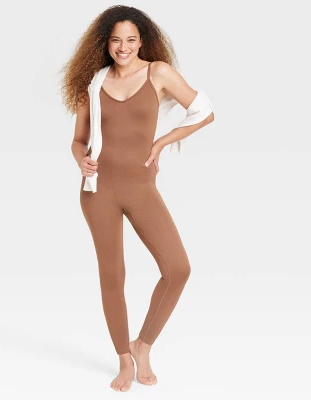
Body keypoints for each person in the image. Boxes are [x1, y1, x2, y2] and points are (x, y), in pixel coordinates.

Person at [60, 5, 214, 392]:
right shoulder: (93, 82)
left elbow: (204, 111)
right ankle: (123, 359)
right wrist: (81, 161)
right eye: (116, 40)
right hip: (98, 191)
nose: (123, 47)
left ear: (141, 41)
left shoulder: (158, 73)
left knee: (177, 268)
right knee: (113, 276)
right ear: (105, 43)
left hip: (141, 187)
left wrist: (162, 142)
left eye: (130, 39)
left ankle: (142, 345)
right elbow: (78, 141)